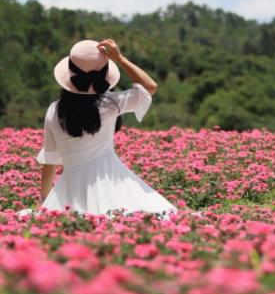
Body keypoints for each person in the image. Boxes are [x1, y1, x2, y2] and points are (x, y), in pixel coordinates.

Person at [25, 38, 179, 217]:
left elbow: (50, 159)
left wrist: (44, 198)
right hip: (112, 181)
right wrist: (120, 58)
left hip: (70, 188)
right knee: (141, 218)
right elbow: (150, 87)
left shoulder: (54, 110)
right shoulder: (111, 104)